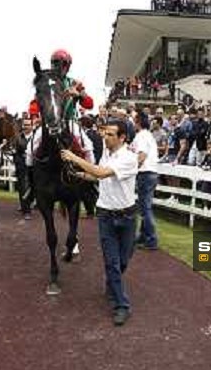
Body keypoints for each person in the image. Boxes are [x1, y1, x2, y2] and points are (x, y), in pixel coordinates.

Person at [61, 120, 138, 327]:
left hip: (127, 216)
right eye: (105, 133)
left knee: (122, 261)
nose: (105, 137)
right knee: (112, 262)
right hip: (105, 215)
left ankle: (113, 283)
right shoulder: (106, 154)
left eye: (111, 134)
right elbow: (99, 176)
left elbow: (102, 173)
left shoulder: (129, 158)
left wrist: (75, 158)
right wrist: (80, 175)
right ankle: (121, 305)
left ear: (122, 137)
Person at [130, 112, 159, 250]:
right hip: (151, 173)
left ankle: (151, 239)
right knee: (145, 207)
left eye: (134, 121)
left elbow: (141, 156)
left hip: (145, 173)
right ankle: (143, 236)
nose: (133, 123)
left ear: (138, 122)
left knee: (145, 208)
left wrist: (131, 170)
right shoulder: (148, 135)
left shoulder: (141, 136)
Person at [14, 117, 36, 220]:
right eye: (24, 124)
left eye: (28, 124)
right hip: (22, 166)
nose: (26, 126)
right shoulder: (18, 137)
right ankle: (26, 210)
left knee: (34, 187)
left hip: (35, 166)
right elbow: (16, 153)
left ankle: (29, 204)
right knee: (23, 187)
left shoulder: (37, 137)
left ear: (32, 126)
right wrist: (19, 163)